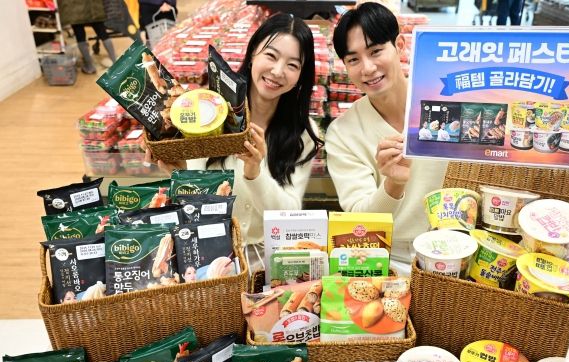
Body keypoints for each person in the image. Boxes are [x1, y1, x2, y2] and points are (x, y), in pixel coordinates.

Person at [146, 13, 323, 249]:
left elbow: (290, 218)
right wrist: (180, 174)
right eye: (271, 55)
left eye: (293, 65)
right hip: (211, 252)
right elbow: (195, 205)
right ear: (252, 54)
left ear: (301, 75)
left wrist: (255, 173)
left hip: (270, 256)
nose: (278, 71)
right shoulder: (210, 112)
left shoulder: (303, 133)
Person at [325, 2, 448, 268]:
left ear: (400, 46)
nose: (368, 68)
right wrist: (393, 183)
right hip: (388, 258)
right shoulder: (342, 133)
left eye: (376, 51)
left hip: (456, 248)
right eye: (354, 60)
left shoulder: (446, 104)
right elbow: (359, 223)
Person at [58, 0, 117, 74]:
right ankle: (116, 63)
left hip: (75, 9)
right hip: (93, 8)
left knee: (80, 37)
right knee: (103, 34)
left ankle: (90, 66)